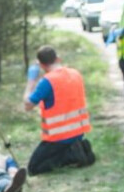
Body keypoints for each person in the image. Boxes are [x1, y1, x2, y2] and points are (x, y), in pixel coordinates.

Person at [24, 45, 95, 175]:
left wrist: (31, 81)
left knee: (34, 168)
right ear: (58, 59)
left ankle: (72, 156)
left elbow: (28, 105)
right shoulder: (75, 74)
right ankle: (80, 148)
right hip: (78, 133)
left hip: (59, 137)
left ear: (41, 65)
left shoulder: (47, 81)